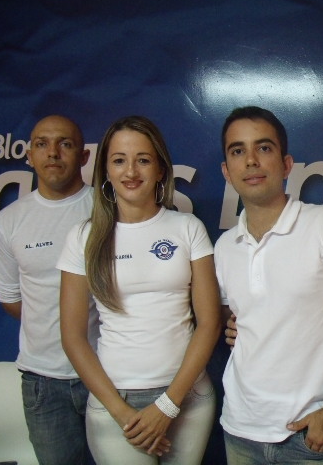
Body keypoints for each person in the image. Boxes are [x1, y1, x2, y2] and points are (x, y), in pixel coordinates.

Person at [216, 106, 323, 464]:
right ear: (226, 171)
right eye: (238, 151)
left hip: (309, 437)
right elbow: (244, 318)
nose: (251, 160)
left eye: (264, 148)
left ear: (287, 164)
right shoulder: (224, 247)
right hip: (240, 431)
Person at [57, 115, 220, 464]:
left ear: (160, 169)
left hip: (188, 397)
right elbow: (72, 337)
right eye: (119, 160)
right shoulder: (83, 237)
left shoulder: (188, 228)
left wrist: (168, 405)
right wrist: (121, 413)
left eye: (143, 160)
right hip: (115, 402)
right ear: (106, 170)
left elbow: (209, 324)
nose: (131, 171)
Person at [0, 114, 98, 465]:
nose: (53, 152)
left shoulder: (109, 210)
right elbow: (12, 300)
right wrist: (54, 321)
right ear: (29, 155)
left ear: (84, 156)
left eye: (65, 144)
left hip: (108, 373)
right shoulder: (9, 221)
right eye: (42, 144)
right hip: (43, 383)